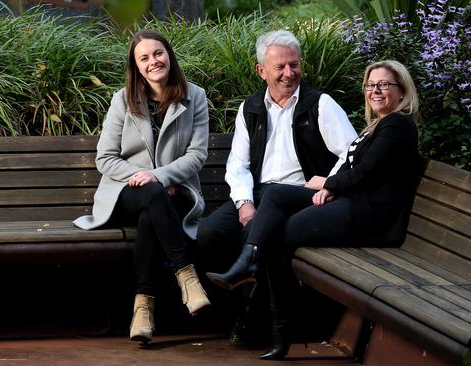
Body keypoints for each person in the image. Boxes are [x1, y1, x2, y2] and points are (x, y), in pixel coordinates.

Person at [207, 60, 421, 360]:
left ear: (401, 90)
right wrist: (334, 187)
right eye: (371, 85)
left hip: (370, 217)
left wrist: (329, 183)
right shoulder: (380, 125)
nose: (376, 91)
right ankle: (249, 262)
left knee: (276, 235)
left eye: (384, 84)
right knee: (276, 194)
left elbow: (364, 173)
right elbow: (358, 169)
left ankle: (278, 328)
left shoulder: (397, 124)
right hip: (354, 204)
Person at [197, 29, 357, 343]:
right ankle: (243, 304)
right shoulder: (251, 108)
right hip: (259, 193)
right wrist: (244, 202)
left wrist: (330, 182)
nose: (289, 73)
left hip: (299, 198)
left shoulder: (320, 104)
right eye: (280, 67)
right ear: (262, 71)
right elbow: (237, 164)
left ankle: (250, 321)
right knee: (209, 233)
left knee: (256, 237)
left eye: (294, 65)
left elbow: (352, 151)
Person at [73, 29, 210, 345]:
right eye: (144, 58)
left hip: (173, 194)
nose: (153, 61)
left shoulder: (195, 97)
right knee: (151, 195)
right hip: (127, 192)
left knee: (153, 211)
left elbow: (197, 155)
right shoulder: (123, 100)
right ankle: (187, 277)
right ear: (136, 66)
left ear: (169, 56)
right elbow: (105, 158)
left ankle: (143, 307)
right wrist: (147, 178)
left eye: (158, 53)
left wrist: (161, 176)